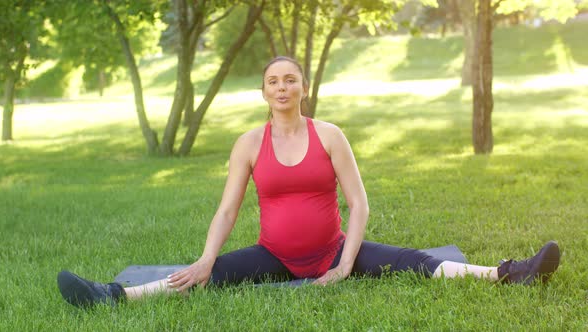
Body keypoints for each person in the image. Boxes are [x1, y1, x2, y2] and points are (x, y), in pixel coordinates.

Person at [57, 56, 561, 308]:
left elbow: (359, 204)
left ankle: (509, 273)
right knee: (200, 277)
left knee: (417, 262)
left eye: (290, 79)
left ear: (304, 86)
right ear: (263, 92)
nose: (282, 87)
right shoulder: (249, 144)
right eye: (273, 81)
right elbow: (228, 211)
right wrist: (208, 256)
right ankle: (113, 296)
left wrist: (344, 267)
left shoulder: (331, 135)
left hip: (335, 249)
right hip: (274, 254)